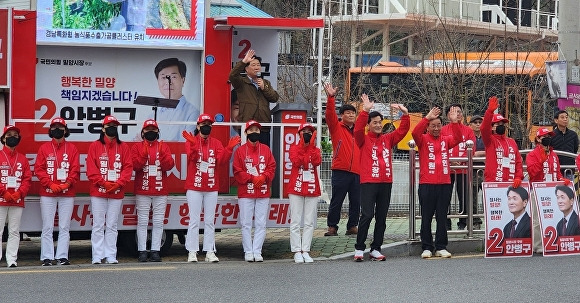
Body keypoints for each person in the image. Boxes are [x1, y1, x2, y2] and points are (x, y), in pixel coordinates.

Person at [352, 95, 410, 261]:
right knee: (367, 215)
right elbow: (357, 129)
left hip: (386, 182)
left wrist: (405, 115)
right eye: (374, 122)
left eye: (380, 122)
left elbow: (402, 131)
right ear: (368, 125)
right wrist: (365, 111)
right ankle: (359, 248)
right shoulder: (362, 139)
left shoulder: (387, 139)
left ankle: (376, 248)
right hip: (369, 182)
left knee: (381, 218)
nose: (378, 125)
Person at [182, 114, 240, 263]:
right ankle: (192, 251)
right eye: (204, 124)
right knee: (194, 220)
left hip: (211, 186)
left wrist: (228, 149)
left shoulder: (216, 143)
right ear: (198, 126)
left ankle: (209, 251)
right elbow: (192, 157)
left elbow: (221, 161)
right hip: (194, 186)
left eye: (209, 124)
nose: (206, 126)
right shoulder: (191, 141)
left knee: (209, 221)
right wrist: (194, 144)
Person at [412, 107, 462, 259]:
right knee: (426, 217)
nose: (436, 128)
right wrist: (426, 118)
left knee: (442, 216)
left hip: (444, 184)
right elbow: (415, 133)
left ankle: (441, 246)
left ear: (442, 126)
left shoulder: (446, 140)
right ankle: (427, 246)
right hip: (427, 184)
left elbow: (458, 138)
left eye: (438, 125)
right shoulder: (422, 140)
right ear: (427, 127)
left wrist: (454, 122)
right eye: (432, 126)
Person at [87, 115, 133, 264]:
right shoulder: (95, 146)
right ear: (103, 129)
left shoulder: (124, 147)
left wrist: (118, 183)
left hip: (117, 191)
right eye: (109, 126)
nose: (112, 128)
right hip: (98, 192)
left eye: (115, 126)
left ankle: (111, 255)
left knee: (112, 225)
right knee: (98, 224)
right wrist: (103, 183)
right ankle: (97, 255)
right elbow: (91, 169)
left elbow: (128, 168)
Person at [35, 117, 80, 266]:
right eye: (54, 127)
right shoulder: (44, 148)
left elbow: (75, 169)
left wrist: (66, 184)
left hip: (67, 193)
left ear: (65, 130)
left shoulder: (72, 148)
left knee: (64, 226)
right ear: (50, 130)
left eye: (60, 127)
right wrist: (50, 184)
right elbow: (39, 169)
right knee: (47, 226)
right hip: (48, 192)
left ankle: (62, 256)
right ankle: (47, 257)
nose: (57, 129)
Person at [131, 119, 175, 262]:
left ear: (158, 132)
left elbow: (169, 166)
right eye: (148, 129)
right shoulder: (136, 147)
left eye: (153, 130)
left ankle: (156, 251)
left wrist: (162, 155)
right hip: (142, 190)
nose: (151, 132)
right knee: (142, 222)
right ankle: (142, 251)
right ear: (143, 132)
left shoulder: (164, 146)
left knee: (158, 222)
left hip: (160, 190)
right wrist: (143, 155)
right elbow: (135, 166)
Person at [233, 120, 276, 262]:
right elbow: (237, 171)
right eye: (251, 130)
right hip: (246, 192)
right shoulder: (240, 151)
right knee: (246, 223)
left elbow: (272, 167)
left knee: (261, 223)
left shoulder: (265, 149)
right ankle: (248, 251)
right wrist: (251, 178)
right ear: (246, 133)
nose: (254, 133)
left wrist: (264, 177)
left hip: (263, 192)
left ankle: (257, 250)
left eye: (257, 130)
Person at [322, 83, 361, 236]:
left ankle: (352, 226)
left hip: (357, 171)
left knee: (356, 201)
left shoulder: (359, 131)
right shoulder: (336, 127)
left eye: (353, 113)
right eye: (348, 113)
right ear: (342, 115)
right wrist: (331, 97)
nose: (351, 115)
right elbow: (329, 115)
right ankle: (332, 226)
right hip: (340, 169)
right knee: (337, 200)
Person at [526, 127, 569, 252]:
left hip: (554, 191)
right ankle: (538, 245)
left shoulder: (554, 154)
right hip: (538, 190)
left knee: (554, 217)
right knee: (537, 220)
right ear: (538, 139)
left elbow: (557, 173)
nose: (548, 139)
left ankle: (554, 241)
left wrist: (562, 180)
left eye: (550, 137)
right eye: (545, 137)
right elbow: (532, 173)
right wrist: (540, 161)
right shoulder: (532, 154)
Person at [229, 49, 279, 146]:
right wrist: (244, 61)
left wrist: (264, 88)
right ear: (246, 69)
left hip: (263, 126)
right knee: (247, 154)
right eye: (253, 65)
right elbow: (232, 75)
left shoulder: (265, 83)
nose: (257, 67)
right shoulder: (242, 83)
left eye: (258, 65)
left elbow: (274, 98)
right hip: (247, 126)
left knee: (263, 154)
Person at [288, 123, 322, 263]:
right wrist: (303, 147)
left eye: (310, 132)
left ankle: (306, 250)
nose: (307, 134)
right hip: (296, 187)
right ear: (299, 134)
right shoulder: (293, 148)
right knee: (295, 221)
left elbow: (316, 161)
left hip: (312, 187)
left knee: (309, 221)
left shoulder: (316, 149)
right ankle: (296, 250)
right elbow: (296, 161)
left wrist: (311, 147)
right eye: (304, 132)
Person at [0, 125, 32, 268]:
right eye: (9, 135)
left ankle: (11, 259)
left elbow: (27, 179)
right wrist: (4, 192)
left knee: (14, 231)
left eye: (15, 135)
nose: (12, 137)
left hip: (17, 199)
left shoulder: (23, 159)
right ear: (3, 138)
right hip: (1, 199)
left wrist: (19, 193)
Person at [441, 104, 476, 231]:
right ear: (448, 116)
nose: (457, 114)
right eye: (454, 112)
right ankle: (446, 223)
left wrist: (460, 162)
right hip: (447, 170)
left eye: (459, 112)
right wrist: (450, 162)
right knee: (445, 197)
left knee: (464, 197)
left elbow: (472, 149)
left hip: (463, 169)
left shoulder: (468, 130)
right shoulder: (443, 130)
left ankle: (463, 223)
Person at [152, 58, 199, 141]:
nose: (168, 82)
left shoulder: (192, 113)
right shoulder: (154, 112)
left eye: (173, 77)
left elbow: (187, 142)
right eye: (163, 77)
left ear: (183, 80)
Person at [481, 96, 524, 186]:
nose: (501, 126)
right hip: (493, 183)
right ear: (492, 126)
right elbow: (484, 129)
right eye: (498, 124)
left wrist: (518, 177)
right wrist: (489, 112)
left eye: (503, 124)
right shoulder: (490, 140)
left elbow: (518, 161)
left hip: (511, 183)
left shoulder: (511, 142)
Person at [550, 110, 579, 179]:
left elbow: (575, 150)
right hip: (555, 170)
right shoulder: (551, 135)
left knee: (568, 189)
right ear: (556, 120)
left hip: (569, 170)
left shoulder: (573, 135)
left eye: (566, 117)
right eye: (562, 117)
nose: (565, 119)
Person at [469, 114, 485, 229]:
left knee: (487, 195)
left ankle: (490, 218)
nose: (478, 124)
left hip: (485, 169)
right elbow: (470, 153)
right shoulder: (469, 137)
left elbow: (491, 150)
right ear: (471, 125)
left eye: (480, 122)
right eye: (476, 122)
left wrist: (480, 153)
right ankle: (475, 221)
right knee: (472, 197)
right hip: (472, 170)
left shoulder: (486, 136)